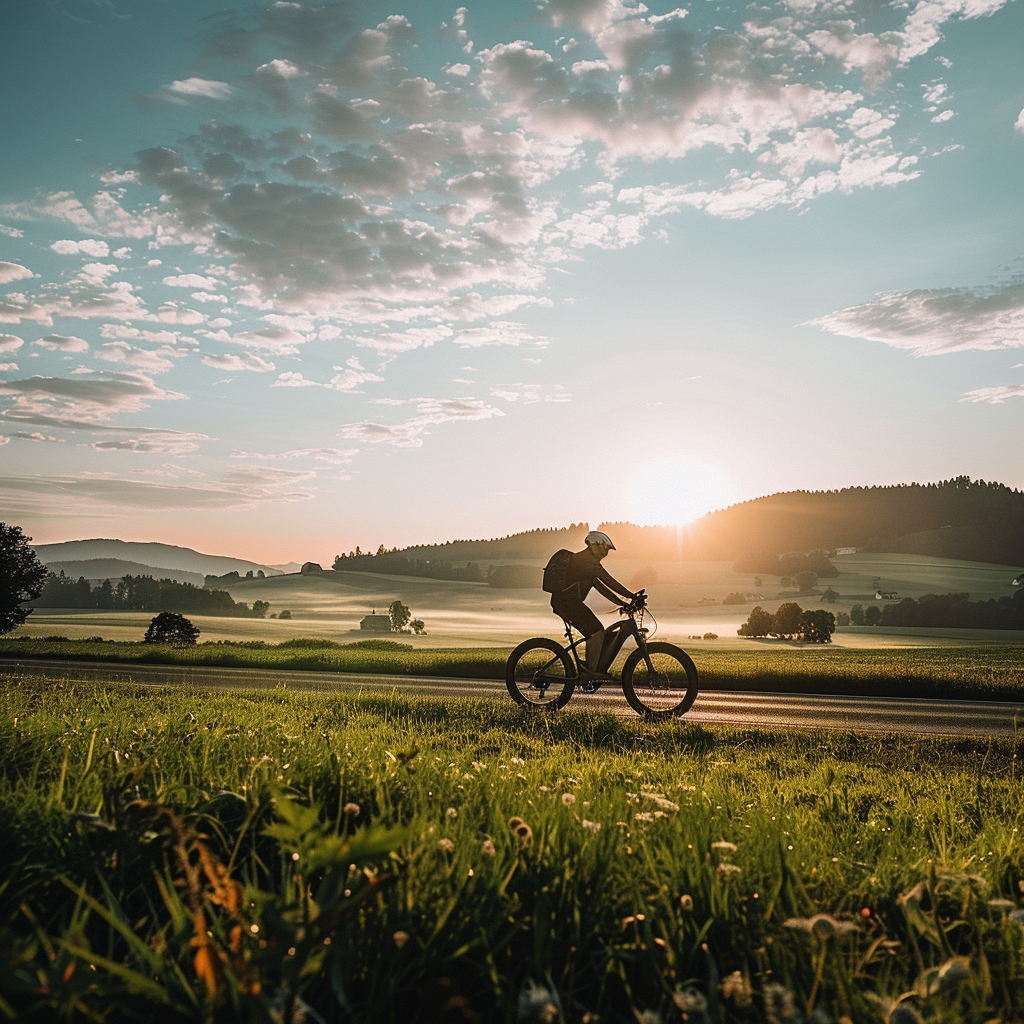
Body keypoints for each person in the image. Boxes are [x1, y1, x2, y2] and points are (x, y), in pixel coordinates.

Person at [550, 530, 636, 678]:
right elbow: (609, 581)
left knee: (596, 632)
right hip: (567, 603)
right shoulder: (588, 562)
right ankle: (590, 671)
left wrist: (621, 602)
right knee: (596, 632)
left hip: (567, 602)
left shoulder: (586, 563)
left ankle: (590, 668)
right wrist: (631, 596)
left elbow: (601, 586)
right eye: (605, 549)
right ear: (595, 546)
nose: (606, 554)